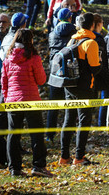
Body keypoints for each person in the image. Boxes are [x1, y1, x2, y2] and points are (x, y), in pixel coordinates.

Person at [1, 28, 53, 177]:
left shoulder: (7, 58)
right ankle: (38, 166)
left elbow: (3, 83)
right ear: (30, 40)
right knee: (36, 134)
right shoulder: (33, 57)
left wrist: (7, 99)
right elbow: (42, 80)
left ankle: (14, 168)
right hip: (31, 100)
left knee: (13, 135)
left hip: (12, 101)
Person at [59, 13, 101, 166]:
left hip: (69, 86)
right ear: (92, 25)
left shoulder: (72, 39)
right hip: (84, 87)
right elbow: (95, 68)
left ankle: (64, 157)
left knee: (68, 120)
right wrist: (100, 61)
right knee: (83, 121)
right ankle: (79, 157)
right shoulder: (90, 43)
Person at [46, 8, 76, 141]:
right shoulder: (75, 32)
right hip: (70, 72)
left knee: (53, 105)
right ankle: (69, 134)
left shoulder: (52, 34)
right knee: (71, 106)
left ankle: (49, 134)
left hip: (55, 72)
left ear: (58, 18)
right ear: (70, 18)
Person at [91, 14, 109, 128]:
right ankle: (101, 124)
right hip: (100, 73)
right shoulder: (99, 40)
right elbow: (100, 61)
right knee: (103, 100)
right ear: (99, 24)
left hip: (89, 75)